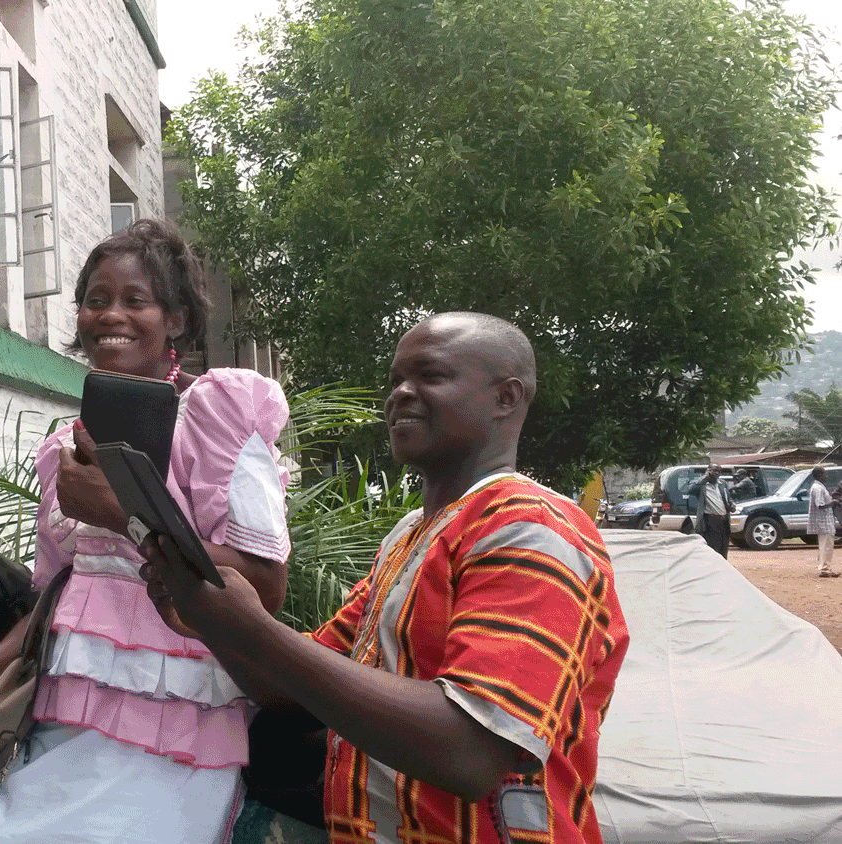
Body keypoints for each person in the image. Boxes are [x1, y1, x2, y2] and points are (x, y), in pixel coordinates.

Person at [142, 312, 629, 844]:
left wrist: (254, 630)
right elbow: (301, 691)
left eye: (430, 376)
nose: (400, 393)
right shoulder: (409, 535)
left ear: (506, 398)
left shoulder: (529, 531)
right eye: (395, 379)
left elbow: (472, 751)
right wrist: (215, 623)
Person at [0, 219, 292, 844]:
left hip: (176, 732)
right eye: (96, 298)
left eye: (136, 300)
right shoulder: (67, 447)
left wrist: (123, 513)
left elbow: (265, 584)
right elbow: (60, 596)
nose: (111, 314)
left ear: (176, 321)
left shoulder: (217, 415)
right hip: (65, 718)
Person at [686, 464, 733, 558]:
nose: (716, 473)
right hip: (710, 521)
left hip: (724, 521)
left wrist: (731, 505)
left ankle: (722, 570)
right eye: (714, 470)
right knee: (713, 550)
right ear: (708, 470)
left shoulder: (722, 484)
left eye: (718, 472)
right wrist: (705, 477)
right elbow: (691, 490)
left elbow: (727, 498)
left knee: (723, 550)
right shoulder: (700, 485)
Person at [808, 466, 836, 577]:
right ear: (820, 475)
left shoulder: (818, 486)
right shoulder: (818, 488)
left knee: (824, 545)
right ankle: (825, 569)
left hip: (825, 521)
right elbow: (820, 504)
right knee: (827, 545)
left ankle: (825, 567)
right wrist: (833, 502)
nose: (826, 476)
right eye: (825, 474)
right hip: (823, 521)